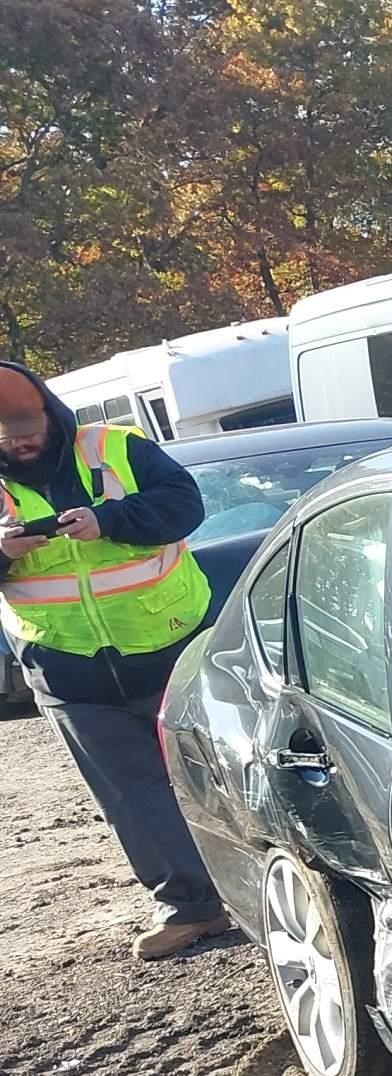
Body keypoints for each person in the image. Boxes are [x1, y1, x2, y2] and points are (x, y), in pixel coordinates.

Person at [1, 360, 231, 959]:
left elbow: (184, 506)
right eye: (6, 434)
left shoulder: (116, 448)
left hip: (172, 645)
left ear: (51, 413)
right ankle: (191, 908)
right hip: (68, 667)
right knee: (132, 796)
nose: (22, 441)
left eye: (28, 426)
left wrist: (108, 520)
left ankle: (266, 882)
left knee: (221, 771)